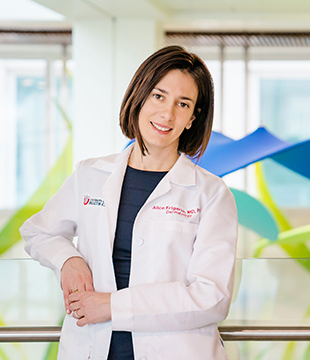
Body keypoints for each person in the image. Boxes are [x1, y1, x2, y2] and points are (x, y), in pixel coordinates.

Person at [20, 45, 238, 360]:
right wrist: (69, 261)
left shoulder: (211, 193)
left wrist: (111, 306)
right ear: (139, 97)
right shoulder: (90, 174)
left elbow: (211, 297)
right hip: (92, 346)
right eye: (158, 96)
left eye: (183, 104)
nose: (167, 114)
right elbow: (38, 232)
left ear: (193, 118)